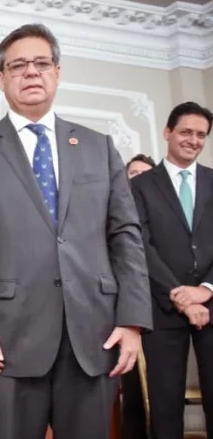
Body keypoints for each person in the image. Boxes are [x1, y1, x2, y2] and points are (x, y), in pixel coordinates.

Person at [0, 23, 152, 439]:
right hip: (5, 341)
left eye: (41, 63)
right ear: (1, 78)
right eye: (18, 65)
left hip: (94, 336)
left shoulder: (99, 146)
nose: (31, 72)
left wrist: (132, 320)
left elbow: (126, 236)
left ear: (57, 72)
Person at [130, 101, 213, 439]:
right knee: (165, 405)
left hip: (211, 304)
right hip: (161, 308)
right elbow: (139, 245)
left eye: (201, 135)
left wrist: (206, 289)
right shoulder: (140, 186)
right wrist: (181, 296)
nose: (193, 140)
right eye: (186, 132)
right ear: (167, 132)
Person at [121, 152, 157, 439]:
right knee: (132, 394)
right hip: (126, 315)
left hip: (163, 314)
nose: (140, 180)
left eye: (146, 174)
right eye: (134, 174)